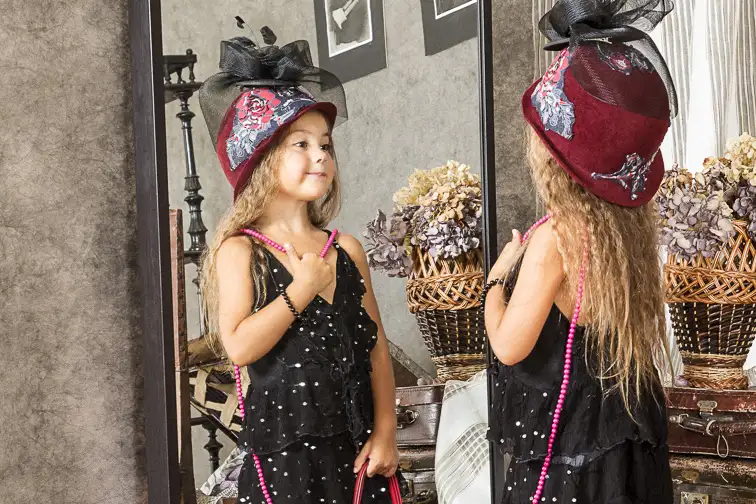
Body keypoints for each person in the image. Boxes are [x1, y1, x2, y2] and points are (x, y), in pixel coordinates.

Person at [484, 1, 678, 502]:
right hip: (626, 452)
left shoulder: (555, 238)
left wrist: (496, 282)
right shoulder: (628, 235)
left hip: (569, 462)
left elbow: (509, 346)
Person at [198, 34, 400, 503]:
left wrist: (386, 432)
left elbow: (376, 352)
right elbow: (240, 345)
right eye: (302, 144)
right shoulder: (241, 251)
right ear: (261, 159)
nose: (321, 157)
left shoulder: (345, 249)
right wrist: (301, 291)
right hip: (285, 463)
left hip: (356, 455)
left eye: (326, 145)